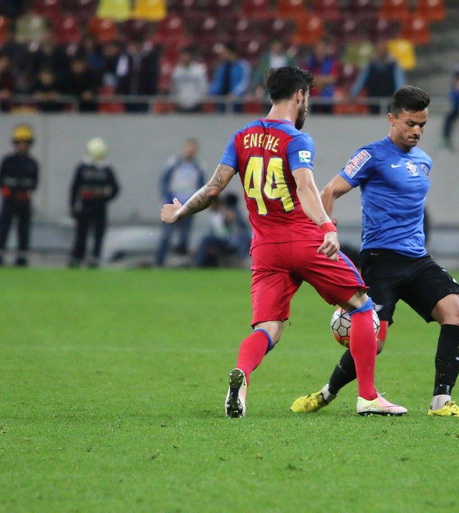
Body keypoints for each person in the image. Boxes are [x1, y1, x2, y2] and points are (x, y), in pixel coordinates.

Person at [160, 66, 405, 418]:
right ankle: (367, 396)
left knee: (268, 328)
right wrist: (326, 226)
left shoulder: (241, 136)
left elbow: (214, 189)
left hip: (264, 249)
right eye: (307, 99)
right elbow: (305, 187)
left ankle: (241, 379)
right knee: (363, 305)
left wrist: (181, 211)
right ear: (299, 96)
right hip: (304, 241)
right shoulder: (297, 140)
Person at [290, 86, 459, 419]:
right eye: (410, 123)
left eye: (422, 124)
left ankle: (440, 402)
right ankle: (327, 392)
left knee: (456, 315)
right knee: (373, 342)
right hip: (381, 261)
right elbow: (330, 189)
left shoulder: (424, 161)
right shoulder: (371, 155)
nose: (417, 131)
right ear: (391, 119)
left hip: (418, 259)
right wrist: (326, 231)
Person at [0, 124, 39, 266]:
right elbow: (0, 179)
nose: (23, 146)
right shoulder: (8, 161)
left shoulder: (32, 163)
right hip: (9, 200)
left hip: (24, 201)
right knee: (3, 229)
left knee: (24, 231)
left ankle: (22, 258)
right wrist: (5, 191)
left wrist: (29, 193)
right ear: (15, 144)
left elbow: (35, 182)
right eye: (20, 143)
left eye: (25, 143)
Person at [68, 137, 120, 267]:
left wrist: (105, 198)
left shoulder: (105, 168)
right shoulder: (84, 167)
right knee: (82, 232)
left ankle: (93, 257)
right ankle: (78, 256)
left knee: (97, 233)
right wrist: (73, 204)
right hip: (86, 204)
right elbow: (74, 187)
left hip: (97, 205)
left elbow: (115, 188)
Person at [155, 138, 206, 267]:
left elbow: (201, 187)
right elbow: (164, 181)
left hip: (188, 206)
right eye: (188, 148)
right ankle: (159, 263)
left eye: (193, 149)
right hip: (173, 205)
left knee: (184, 236)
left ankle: (181, 263)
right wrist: (167, 198)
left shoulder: (198, 166)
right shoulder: (175, 163)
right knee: (167, 234)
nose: (190, 151)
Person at [350, 40, 405, 114]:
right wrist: (354, 93)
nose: (381, 52)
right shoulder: (371, 64)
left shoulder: (393, 64)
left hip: (388, 99)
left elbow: (399, 81)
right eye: (379, 50)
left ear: (386, 51)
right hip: (373, 98)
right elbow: (361, 80)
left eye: (383, 50)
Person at [208, 42, 250, 113]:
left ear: (230, 52)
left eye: (224, 52)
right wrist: (210, 92)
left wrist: (235, 93)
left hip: (236, 101)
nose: (222, 55)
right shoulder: (221, 67)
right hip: (221, 100)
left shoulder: (242, 65)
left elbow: (244, 82)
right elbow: (217, 82)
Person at [170, 46, 208, 113]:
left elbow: (203, 87)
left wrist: (199, 100)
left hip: (195, 105)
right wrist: (176, 100)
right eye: (183, 56)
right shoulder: (177, 71)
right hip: (180, 105)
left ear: (191, 57)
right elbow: (174, 87)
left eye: (187, 56)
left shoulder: (199, 70)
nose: (185, 58)